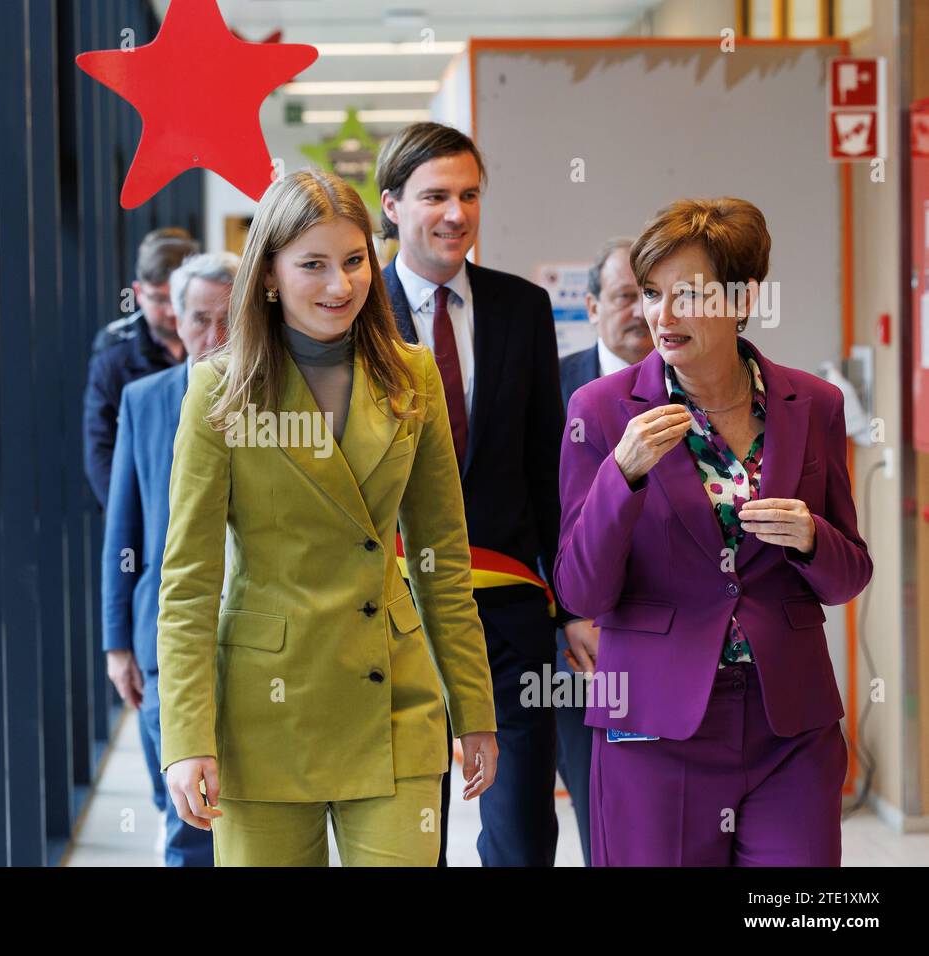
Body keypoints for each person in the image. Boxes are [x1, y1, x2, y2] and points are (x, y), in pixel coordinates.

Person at [156, 169, 498, 867]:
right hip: (263, 712)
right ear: (272, 275)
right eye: (313, 264)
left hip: (394, 702)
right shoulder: (217, 390)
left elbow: (442, 559)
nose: (340, 286)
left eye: (353, 261)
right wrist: (186, 737)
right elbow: (190, 582)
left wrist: (475, 711)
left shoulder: (412, 374)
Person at [555, 197, 873, 866]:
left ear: (741, 297)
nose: (661, 317)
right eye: (651, 294)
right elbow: (581, 588)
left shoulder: (813, 405)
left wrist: (811, 535)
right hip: (655, 725)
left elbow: (850, 575)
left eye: (688, 295)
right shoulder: (602, 411)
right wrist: (623, 476)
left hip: (789, 723)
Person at [377, 121, 574, 866]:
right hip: (393, 613)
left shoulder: (521, 308)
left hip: (508, 608)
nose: (456, 213)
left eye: (468, 194)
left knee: (523, 833)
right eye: (435, 196)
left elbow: (545, 466)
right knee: (409, 832)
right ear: (392, 205)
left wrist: (573, 604)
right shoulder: (355, 317)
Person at [102, 252, 238, 867]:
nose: (214, 337)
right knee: (186, 818)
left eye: (228, 319)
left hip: (255, 632)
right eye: (199, 319)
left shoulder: (283, 404)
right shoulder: (145, 400)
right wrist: (116, 644)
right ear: (174, 324)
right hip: (164, 638)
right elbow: (122, 527)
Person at [553, 236, 652, 866]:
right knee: (599, 812)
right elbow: (536, 510)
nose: (642, 311)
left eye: (654, 294)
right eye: (625, 296)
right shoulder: (557, 390)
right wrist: (567, 614)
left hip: (673, 630)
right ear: (591, 305)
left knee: (668, 811)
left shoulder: (695, 384)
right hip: (578, 639)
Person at [83, 228, 198, 508]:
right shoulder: (114, 352)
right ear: (137, 292)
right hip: (143, 504)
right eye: (160, 299)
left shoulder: (219, 341)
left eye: (178, 298)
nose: (171, 311)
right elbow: (100, 450)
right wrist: (127, 521)